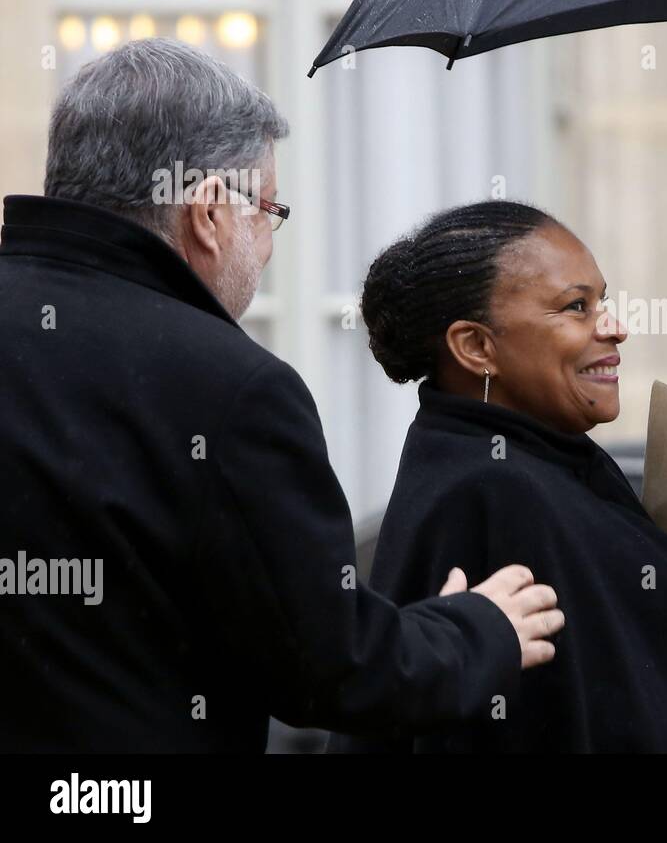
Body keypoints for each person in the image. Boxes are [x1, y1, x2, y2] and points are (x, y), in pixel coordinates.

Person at [0, 38, 562, 752]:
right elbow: (328, 668)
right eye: (269, 209)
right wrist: (479, 631)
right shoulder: (229, 389)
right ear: (208, 213)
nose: (267, 243)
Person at [329, 201, 667, 753]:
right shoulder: (496, 490)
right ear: (476, 347)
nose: (615, 329)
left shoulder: (535, 458)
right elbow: (606, 712)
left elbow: (654, 661)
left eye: (602, 301)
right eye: (575, 307)